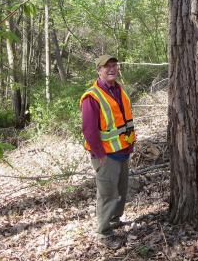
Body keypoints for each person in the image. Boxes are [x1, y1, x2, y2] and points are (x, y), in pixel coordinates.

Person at [80, 55, 136, 250]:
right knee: (107, 194)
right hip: (105, 156)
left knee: (120, 191)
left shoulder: (118, 89)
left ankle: (114, 221)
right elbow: (88, 130)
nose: (111, 69)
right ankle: (102, 232)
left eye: (114, 65)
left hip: (122, 151)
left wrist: (129, 146)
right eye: (106, 67)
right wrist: (100, 154)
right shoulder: (92, 97)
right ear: (99, 71)